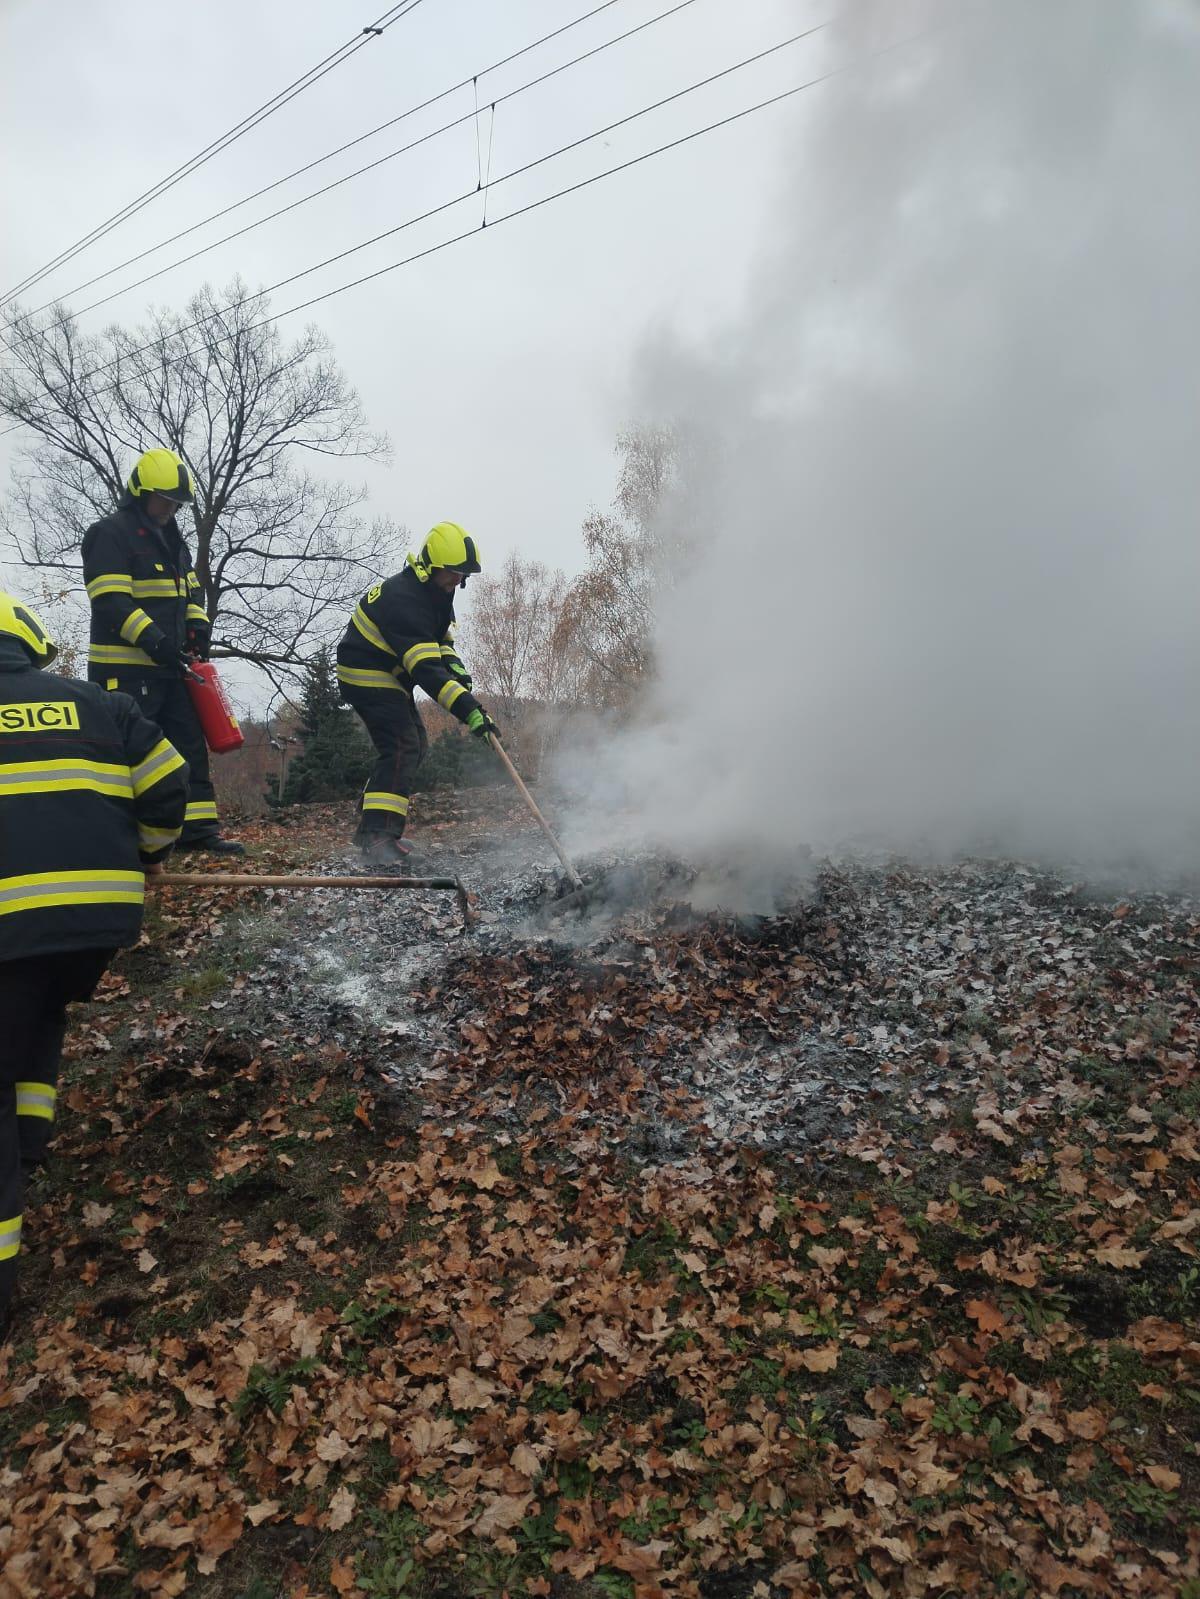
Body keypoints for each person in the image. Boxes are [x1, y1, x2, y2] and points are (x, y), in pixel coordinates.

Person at [0, 591, 189, 1339]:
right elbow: (170, 783)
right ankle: (33, 1142)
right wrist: (148, 852)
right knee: (41, 1005)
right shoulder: (96, 703)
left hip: (7, 927)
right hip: (97, 921)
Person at [81, 446, 243, 855]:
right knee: (132, 752)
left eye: (177, 503)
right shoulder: (110, 535)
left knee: (189, 744)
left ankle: (199, 832)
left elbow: (190, 593)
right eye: (164, 499)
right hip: (125, 672)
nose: (170, 508)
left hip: (171, 668)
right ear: (140, 492)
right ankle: (124, 840)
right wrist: (156, 641)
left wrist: (197, 629)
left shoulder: (174, 542)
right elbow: (112, 602)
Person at [336, 522, 498, 863]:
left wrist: (456, 668)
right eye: (454, 574)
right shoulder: (405, 599)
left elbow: (440, 642)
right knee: (401, 744)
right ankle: (377, 839)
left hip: (389, 673)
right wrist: (470, 710)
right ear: (431, 566)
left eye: (463, 576)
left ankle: (374, 822)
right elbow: (426, 671)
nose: (459, 582)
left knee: (415, 744)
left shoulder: (437, 591)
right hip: (365, 671)